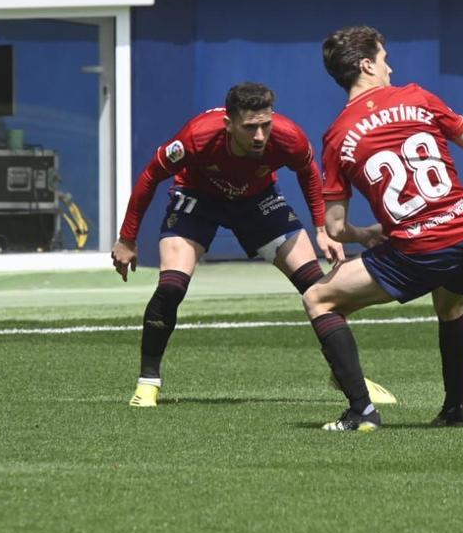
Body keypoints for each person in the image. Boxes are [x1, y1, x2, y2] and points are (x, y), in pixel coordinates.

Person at [304, 25, 463, 432]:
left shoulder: (337, 136)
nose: (390, 65)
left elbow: (334, 228)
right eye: (384, 57)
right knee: (450, 305)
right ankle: (455, 409)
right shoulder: (418, 96)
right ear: (366, 64)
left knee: (319, 299)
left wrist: (364, 234)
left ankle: (361, 411)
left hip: (421, 247)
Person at [112, 81, 346, 407]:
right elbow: (151, 176)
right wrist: (127, 238)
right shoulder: (196, 137)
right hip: (198, 198)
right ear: (229, 124)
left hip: (257, 201)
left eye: (266, 125)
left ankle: (345, 374)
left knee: (317, 286)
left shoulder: (289, 136)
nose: (260, 135)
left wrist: (322, 228)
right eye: (250, 128)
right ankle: (148, 382)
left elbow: (308, 171)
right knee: (171, 287)